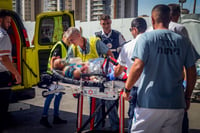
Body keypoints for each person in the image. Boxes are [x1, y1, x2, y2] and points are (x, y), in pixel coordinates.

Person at [123, 4, 199, 133]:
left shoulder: (146, 38)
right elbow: (192, 70)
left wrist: (127, 89)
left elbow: (137, 66)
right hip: (175, 103)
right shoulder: (183, 41)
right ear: (170, 19)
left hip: (149, 102)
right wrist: (187, 97)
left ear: (152, 20)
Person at [66, 27, 118, 131]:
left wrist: (113, 72)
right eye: (69, 40)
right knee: (94, 105)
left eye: (72, 39)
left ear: (79, 36)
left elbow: (110, 54)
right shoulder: (73, 48)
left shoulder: (95, 42)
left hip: (103, 79)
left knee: (110, 103)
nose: (71, 42)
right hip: (89, 81)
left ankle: (115, 127)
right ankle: (97, 128)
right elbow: (69, 62)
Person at [114, 17, 147, 133]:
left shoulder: (127, 46)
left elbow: (119, 70)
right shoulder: (153, 42)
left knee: (134, 118)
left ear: (134, 30)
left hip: (135, 87)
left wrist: (114, 73)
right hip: (153, 88)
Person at [95, 14, 126, 131]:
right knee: (99, 99)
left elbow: (124, 51)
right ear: (100, 24)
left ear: (111, 22)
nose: (106, 26)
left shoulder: (117, 35)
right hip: (100, 72)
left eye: (108, 23)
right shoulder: (97, 36)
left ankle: (114, 125)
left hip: (114, 72)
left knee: (113, 99)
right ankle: (99, 124)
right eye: (104, 24)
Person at [40, 31, 69, 128]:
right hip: (54, 76)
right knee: (50, 95)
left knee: (59, 95)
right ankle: (44, 117)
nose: (71, 40)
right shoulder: (59, 46)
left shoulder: (65, 46)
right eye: (69, 38)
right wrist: (53, 73)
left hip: (59, 76)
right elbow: (53, 60)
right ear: (64, 37)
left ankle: (56, 117)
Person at [168, 4, 190, 133]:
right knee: (181, 119)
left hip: (156, 85)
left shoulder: (151, 30)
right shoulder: (180, 28)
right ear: (177, 16)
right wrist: (187, 92)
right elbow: (188, 62)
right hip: (176, 82)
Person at [0, 9, 22, 132]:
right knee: (2, 110)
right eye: (8, 22)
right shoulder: (3, 36)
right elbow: (4, 59)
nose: (9, 25)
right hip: (2, 77)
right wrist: (16, 73)